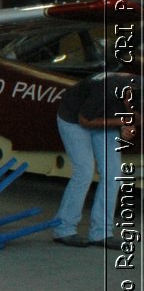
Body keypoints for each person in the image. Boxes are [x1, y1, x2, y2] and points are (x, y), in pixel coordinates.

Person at [53, 61, 138, 248]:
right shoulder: (107, 90)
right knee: (84, 171)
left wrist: (127, 127)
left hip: (105, 119)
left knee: (114, 174)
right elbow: (86, 120)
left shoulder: (137, 86)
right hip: (74, 118)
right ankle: (64, 229)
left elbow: (134, 121)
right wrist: (122, 120)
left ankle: (101, 233)